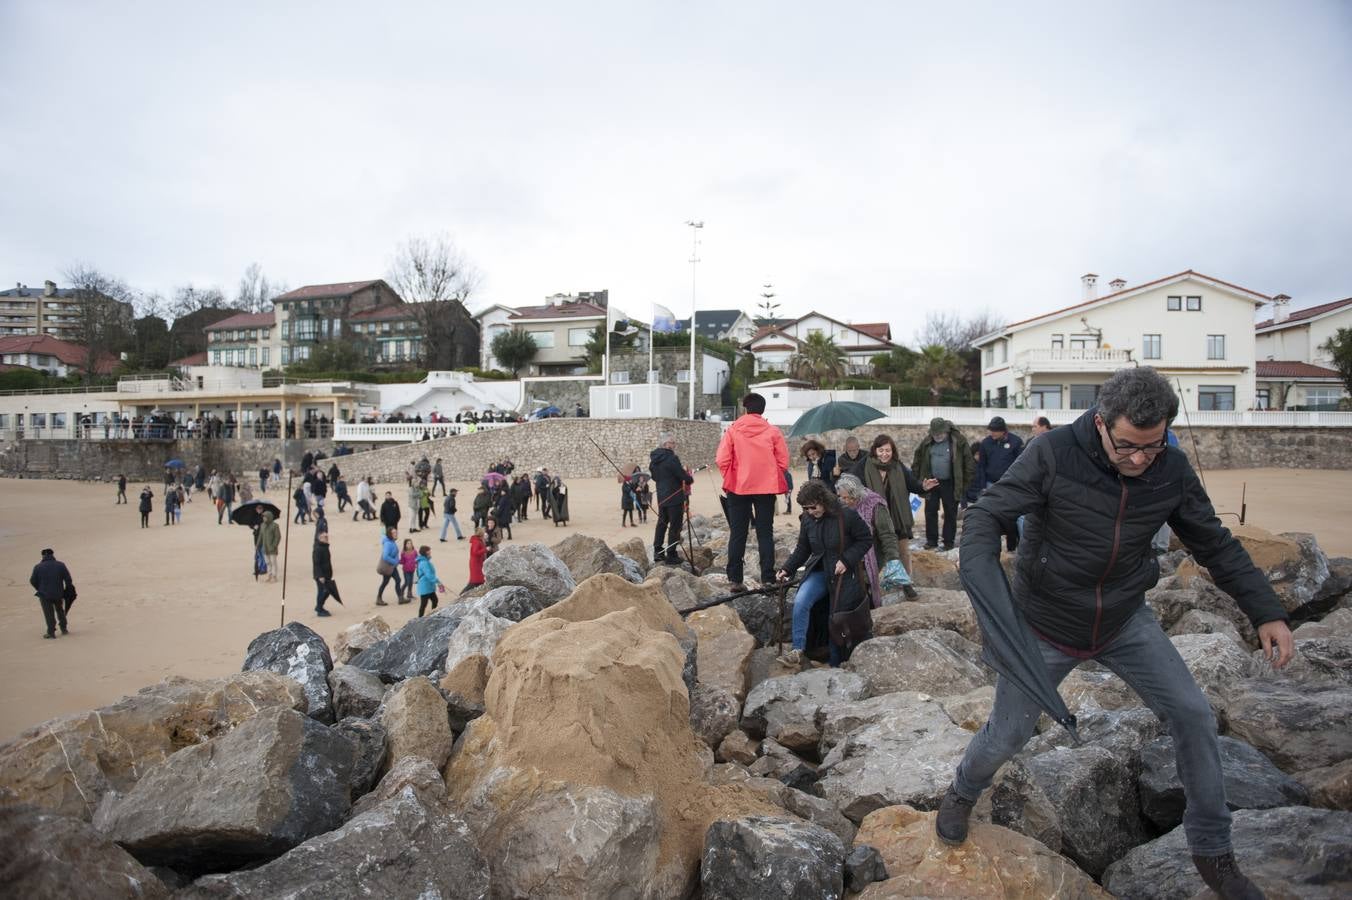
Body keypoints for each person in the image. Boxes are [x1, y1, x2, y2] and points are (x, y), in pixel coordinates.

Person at [936, 367, 1293, 899]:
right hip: (1045, 623)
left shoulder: (1169, 468)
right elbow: (986, 517)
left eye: (1152, 447)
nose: (1139, 459)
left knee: (1193, 714)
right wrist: (992, 598)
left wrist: (1266, 609)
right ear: (1101, 423)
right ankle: (963, 791)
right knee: (1008, 734)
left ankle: (1214, 851)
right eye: (1128, 446)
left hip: (1125, 618)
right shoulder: (1053, 452)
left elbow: (1214, 543)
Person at [773, 480, 874, 667]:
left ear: (823, 500)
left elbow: (866, 539)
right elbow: (803, 548)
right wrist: (787, 568)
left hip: (844, 575)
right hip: (819, 570)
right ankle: (797, 650)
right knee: (801, 601)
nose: (810, 512)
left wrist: (846, 560)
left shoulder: (847, 515)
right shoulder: (807, 519)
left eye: (813, 507)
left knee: (835, 618)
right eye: (806, 508)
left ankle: (835, 665)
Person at [716, 393, 789, 590]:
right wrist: (770, 474)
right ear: (763, 410)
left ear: (745, 409)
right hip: (766, 488)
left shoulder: (733, 430)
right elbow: (783, 462)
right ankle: (767, 578)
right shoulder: (773, 432)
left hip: (738, 486)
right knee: (765, 533)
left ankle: (735, 579)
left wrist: (731, 475)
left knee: (738, 533)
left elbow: (722, 460)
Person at [835, 473, 917, 600]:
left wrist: (893, 559)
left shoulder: (875, 505)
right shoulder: (842, 505)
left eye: (850, 498)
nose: (846, 501)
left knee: (867, 580)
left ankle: (903, 587)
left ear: (857, 494)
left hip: (873, 549)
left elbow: (887, 535)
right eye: (843, 498)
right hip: (852, 549)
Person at [862, 434, 925, 584]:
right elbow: (850, 482)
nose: (885, 454)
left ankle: (906, 584)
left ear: (893, 451)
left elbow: (913, 484)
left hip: (898, 518)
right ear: (875, 450)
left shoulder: (898, 466)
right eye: (881, 450)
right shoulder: (864, 465)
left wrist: (923, 486)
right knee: (876, 555)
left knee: (903, 552)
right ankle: (870, 586)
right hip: (876, 520)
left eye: (888, 450)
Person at [912, 417, 972, 551]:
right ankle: (931, 541)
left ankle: (948, 542)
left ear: (946, 431)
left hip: (951, 483)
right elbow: (918, 458)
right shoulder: (927, 441)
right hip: (931, 482)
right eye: (935, 434)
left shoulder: (958, 441)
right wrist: (917, 479)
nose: (937, 436)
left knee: (950, 512)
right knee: (930, 511)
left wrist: (965, 484)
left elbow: (968, 463)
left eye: (940, 434)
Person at [976, 416, 1025, 551]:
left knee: (1015, 515)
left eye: (994, 431)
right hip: (991, 484)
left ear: (1003, 431)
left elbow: (1021, 464)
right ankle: (993, 547)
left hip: (1011, 485)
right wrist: (982, 486)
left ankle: (1018, 545)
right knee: (994, 516)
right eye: (990, 430)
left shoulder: (1015, 442)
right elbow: (981, 466)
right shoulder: (986, 443)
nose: (992, 433)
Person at [651, 433, 694, 565]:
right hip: (674, 497)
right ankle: (671, 554)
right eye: (673, 443)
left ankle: (658, 552)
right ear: (666, 444)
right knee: (675, 526)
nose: (674, 445)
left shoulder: (654, 459)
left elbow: (654, 477)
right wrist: (689, 478)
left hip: (662, 497)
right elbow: (683, 476)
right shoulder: (671, 458)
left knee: (662, 524)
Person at [30, 548, 75, 639]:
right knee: (60, 610)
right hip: (58, 592)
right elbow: (68, 579)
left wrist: (39, 588)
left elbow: (32, 581)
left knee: (48, 613)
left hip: (44, 594)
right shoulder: (60, 565)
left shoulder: (38, 567)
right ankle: (64, 628)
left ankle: (51, 632)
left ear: (43, 556)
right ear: (53, 555)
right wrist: (67, 589)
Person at [415, 545, 446, 617]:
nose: (430, 554)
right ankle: (420, 618)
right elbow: (429, 575)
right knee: (424, 604)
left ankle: (433, 615)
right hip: (425, 587)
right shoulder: (424, 563)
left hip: (428, 587)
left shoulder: (425, 561)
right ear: (425, 554)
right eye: (428, 553)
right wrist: (438, 581)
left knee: (434, 600)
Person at [312, 531, 338, 617]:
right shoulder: (318, 548)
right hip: (321, 575)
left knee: (327, 591)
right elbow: (316, 563)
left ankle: (319, 606)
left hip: (327, 574)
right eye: (324, 537)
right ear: (320, 538)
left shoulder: (325, 547)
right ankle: (319, 609)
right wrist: (320, 576)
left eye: (327, 537)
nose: (327, 538)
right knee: (323, 591)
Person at [376, 527, 400, 606]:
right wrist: (395, 562)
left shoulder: (391, 541)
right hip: (388, 567)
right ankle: (379, 599)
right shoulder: (388, 543)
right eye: (394, 533)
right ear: (390, 534)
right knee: (386, 582)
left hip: (391, 566)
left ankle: (400, 598)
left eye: (396, 532)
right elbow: (385, 556)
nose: (396, 534)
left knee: (397, 580)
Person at [257, 509, 281, 583]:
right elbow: (260, 536)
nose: (264, 518)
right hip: (265, 547)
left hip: (272, 548)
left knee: (273, 562)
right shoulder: (262, 525)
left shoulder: (275, 526)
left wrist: (274, 545)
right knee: (267, 562)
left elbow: (278, 537)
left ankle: (274, 576)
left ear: (269, 517)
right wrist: (258, 545)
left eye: (265, 517)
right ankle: (269, 575)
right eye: (263, 517)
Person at [465, 527, 488, 593]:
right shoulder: (477, 541)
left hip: (477, 562)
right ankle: (463, 593)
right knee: (476, 581)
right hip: (476, 563)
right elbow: (475, 552)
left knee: (476, 580)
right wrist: (485, 549)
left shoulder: (477, 540)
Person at [398, 538, 418, 604]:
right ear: (405, 545)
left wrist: (417, 564)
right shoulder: (403, 553)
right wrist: (397, 561)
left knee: (411, 582)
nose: (409, 545)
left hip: (412, 569)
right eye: (408, 543)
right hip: (406, 570)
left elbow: (417, 559)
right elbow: (402, 561)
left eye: (411, 543)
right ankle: (401, 593)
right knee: (407, 582)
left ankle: (409, 594)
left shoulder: (414, 551)